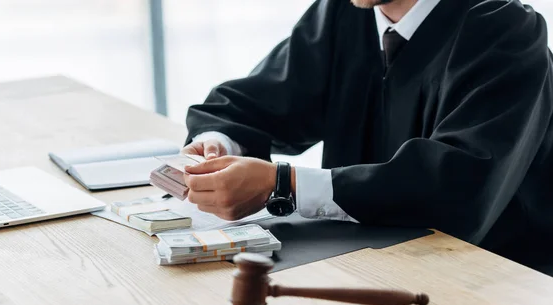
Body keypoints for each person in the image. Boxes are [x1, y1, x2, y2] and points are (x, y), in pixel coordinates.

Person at [180, 0, 553, 273]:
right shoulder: (343, 14)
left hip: (493, 280)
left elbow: (459, 184)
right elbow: (256, 101)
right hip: (373, 266)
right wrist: (219, 144)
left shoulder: (503, 27)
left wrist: (283, 185)